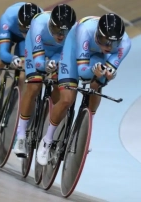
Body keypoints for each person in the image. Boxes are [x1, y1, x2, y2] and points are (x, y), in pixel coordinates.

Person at [36, 13, 132, 165]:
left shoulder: (125, 44)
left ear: (119, 41)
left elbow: (108, 71)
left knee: (96, 84)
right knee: (67, 98)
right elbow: (82, 72)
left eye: (113, 44)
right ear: (98, 34)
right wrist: (93, 71)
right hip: (73, 50)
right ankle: (47, 140)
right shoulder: (85, 30)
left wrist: (107, 74)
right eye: (104, 41)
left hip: (97, 56)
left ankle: (86, 128)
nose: (108, 47)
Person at [13, 4, 77, 158]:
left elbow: (69, 54)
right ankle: (20, 136)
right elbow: (38, 60)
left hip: (58, 54)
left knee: (60, 88)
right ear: (50, 24)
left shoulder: (75, 32)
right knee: (34, 87)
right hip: (36, 50)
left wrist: (57, 64)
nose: (61, 35)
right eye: (57, 31)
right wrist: (45, 66)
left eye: (64, 32)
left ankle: (50, 123)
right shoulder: (38, 25)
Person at [0, 2, 43, 119]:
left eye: (29, 31)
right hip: (9, 32)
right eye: (23, 29)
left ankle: (16, 105)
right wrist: (13, 58)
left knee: (24, 74)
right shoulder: (8, 18)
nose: (25, 34)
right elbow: (3, 53)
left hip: (28, 41)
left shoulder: (42, 24)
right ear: (19, 23)